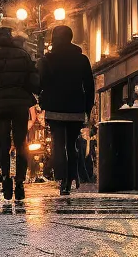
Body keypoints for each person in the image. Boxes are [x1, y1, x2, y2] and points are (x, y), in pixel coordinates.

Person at [0, 26, 39, 201]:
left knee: (3, 142)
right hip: (20, 105)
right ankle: (19, 183)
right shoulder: (23, 55)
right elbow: (35, 82)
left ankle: (5, 181)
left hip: (0, 106)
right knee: (21, 144)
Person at [37, 25, 95, 196]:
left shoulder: (48, 59)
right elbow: (89, 86)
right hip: (75, 109)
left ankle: (62, 180)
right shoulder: (81, 59)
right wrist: (87, 108)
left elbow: (41, 83)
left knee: (58, 145)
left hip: (54, 109)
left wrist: (42, 101)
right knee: (71, 145)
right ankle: (71, 178)